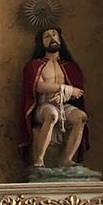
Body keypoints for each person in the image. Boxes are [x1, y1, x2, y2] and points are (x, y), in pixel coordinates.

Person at [21, 25, 89, 169]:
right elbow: (38, 86)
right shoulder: (35, 65)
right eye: (47, 36)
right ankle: (39, 160)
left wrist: (64, 96)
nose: (52, 38)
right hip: (43, 105)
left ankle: (67, 159)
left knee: (81, 117)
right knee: (52, 115)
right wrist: (65, 89)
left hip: (63, 105)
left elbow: (78, 92)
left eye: (54, 35)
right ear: (41, 43)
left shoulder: (69, 66)